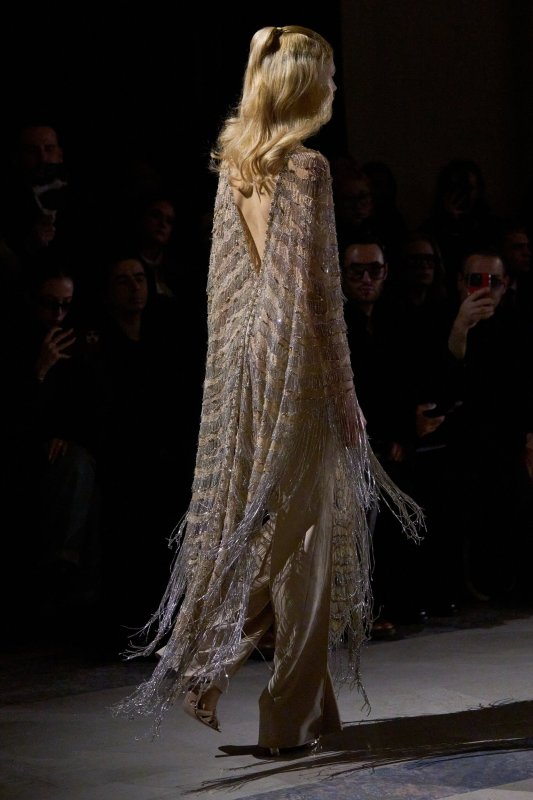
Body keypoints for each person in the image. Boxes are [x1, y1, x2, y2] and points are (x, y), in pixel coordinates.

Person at [112, 25, 422, 754]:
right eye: (327, 76)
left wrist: (233, 378)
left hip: (248, 361)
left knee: (289, 532)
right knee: (298, 537)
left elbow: (226, 290)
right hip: (296, 365)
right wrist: (344, 391)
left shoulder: (237, 162)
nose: (334, 87)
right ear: (302, 85)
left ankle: (299, 710)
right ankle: (209, 660)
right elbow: (320, 294)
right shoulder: (307, 168)